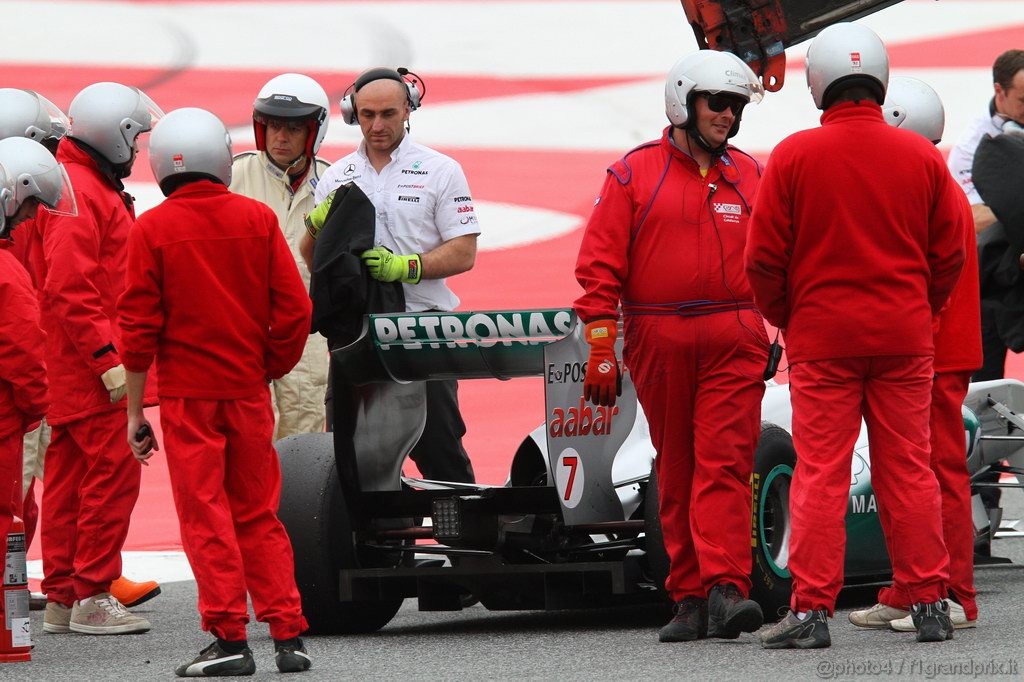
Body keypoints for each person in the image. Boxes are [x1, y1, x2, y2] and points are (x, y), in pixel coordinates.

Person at [747, 23, 966, 648]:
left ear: (818, 83)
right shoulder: (922, 156)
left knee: (821, 472)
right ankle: (928, 600)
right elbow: (950, 252)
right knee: (910, 470)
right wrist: (920, 307)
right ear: (881, 80)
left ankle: (812, 611)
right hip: (903, 336)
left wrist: (790, 313)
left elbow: (762, 259)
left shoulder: (792, 157)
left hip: (823, 339)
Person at [574, 49, 768, 643]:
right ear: (684, 101)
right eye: (718, 102)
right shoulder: (631, 174)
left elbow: (781, 259)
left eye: (736, 105)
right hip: (658, 336)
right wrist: (602, 349)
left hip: (734, 334)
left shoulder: (751, 174)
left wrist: (779, 329)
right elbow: (597, 270)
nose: (728, 115)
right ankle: (687, 595)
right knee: (677, 467)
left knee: (726, 463)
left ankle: (727, 589)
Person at [118, 107, 313, 676]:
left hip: (187, 396)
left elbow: (137, 330)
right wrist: (268, 367)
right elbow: (296, 310)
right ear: (221, 161)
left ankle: (229, 639)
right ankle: (288, 634)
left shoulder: (151, 229)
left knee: (206, 516)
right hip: (247, 390)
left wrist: (136, 410)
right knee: (258, 512)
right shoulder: (256, 218)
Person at [0, 88, 161, 610]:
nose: (136, 151)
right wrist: (109, 363)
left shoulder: (76, 183)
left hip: (61, 358)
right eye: (134, 138)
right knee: (110, 476)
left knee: (67, 480)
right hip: (85, 362)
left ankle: (68, 592)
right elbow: (70, 287)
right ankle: (92, 592)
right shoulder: (82, 190)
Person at [847, 76, 982, 633]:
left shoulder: (931, 192)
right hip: (931, 348)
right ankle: (912, 586)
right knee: (908, 471)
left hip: (932, 351)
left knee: (933, 472)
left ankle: (953, 594)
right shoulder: (936, 185)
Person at [301, 67, 480, 484]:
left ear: (408, 111)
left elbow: (464, 251)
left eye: (387, 114)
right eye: (366, 115)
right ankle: (364, 546)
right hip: (357, 330)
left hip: (425, 328)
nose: (376, 125)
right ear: (352, 114)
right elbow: (313, 258)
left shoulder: (441, 170)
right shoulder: (335, 175)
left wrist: (407, 267)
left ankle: (472, 544)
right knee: (345, 451)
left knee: (440, 448)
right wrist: (315, 225)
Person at [229, 74, 331, 440]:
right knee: (249, 440)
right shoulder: (229, 177)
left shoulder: (335, 185)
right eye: (272, 125)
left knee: (302, 443)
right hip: (242, 333)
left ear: (313, 131)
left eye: (292, 127)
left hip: (307, 337)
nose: (280, 137)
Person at [0, 138, 64, 594]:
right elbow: (23, 350)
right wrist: (37, 405)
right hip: (6, 419)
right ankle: (7, 618)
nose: (28, 219)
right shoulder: (6, 272)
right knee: (8, 515)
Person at [947, 49, 1024, 381]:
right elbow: (971, 219)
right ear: (999, 92)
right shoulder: (971, 147)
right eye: (1023, 101)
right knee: (985, 383)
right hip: (993, 283)